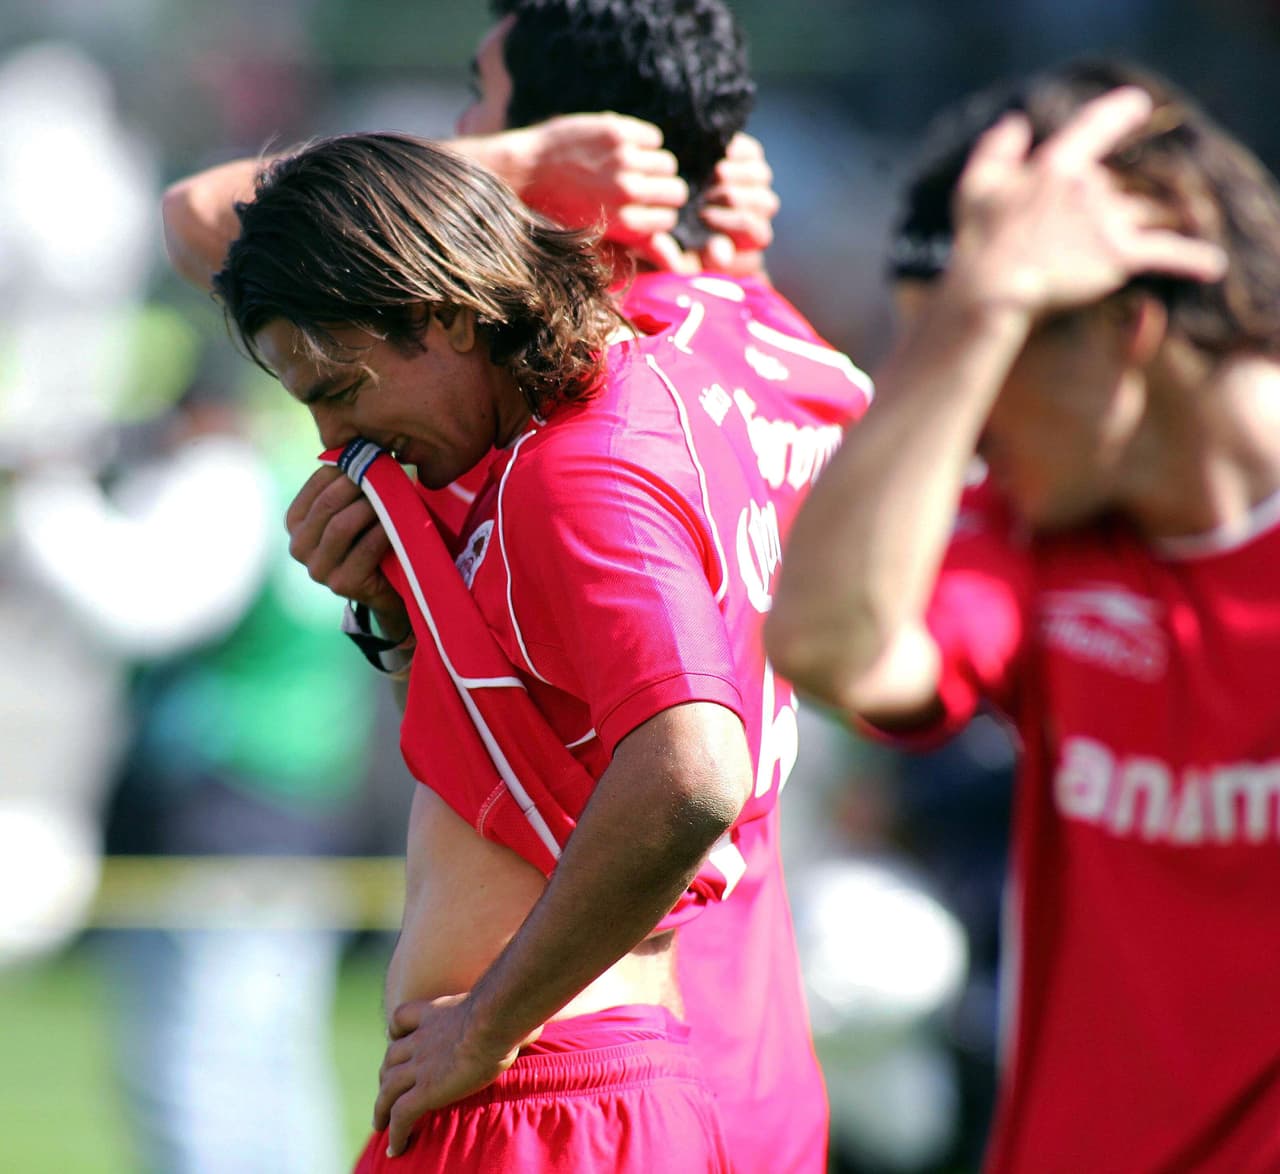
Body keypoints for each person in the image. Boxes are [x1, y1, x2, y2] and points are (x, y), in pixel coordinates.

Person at [165, 5, 862, 1169]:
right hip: (668, 1062)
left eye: (476, 107)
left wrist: (484, 1027)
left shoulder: (580, 452)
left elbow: (692, 766)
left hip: (572, 1077)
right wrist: (403, 615)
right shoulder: (723, 351)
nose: (332, 437)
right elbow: (526, 729)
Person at [767, 58, 1280, 1172]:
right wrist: (975, 314)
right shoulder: (1027, 535)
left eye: (985, 354)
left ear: (1127, 325)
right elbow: (827, 645)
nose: (959, 421)